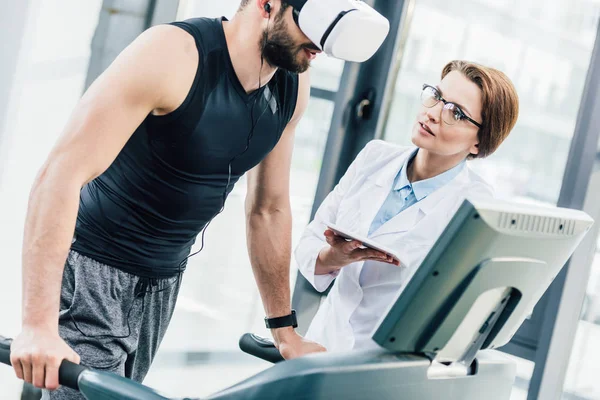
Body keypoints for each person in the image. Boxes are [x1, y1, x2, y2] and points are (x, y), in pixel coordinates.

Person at [9, 1, 329, 398]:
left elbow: (269, 209)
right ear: (268, 5)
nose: (321, 46)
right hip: (96, 265)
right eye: (312, 27)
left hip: (163, 280)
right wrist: (38, 325)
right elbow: (59, 175)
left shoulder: (291, 87)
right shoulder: (172, 54)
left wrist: (285, 332)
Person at [296, 60, 519, 352]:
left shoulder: (478, 207)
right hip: (322, 343)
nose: (433, 113)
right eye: (437, 96)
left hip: (387, 367)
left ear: (479, 142)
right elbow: (308, 246)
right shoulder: (374, 157)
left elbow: (467, 315)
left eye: (455, 112)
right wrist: (334, 257)